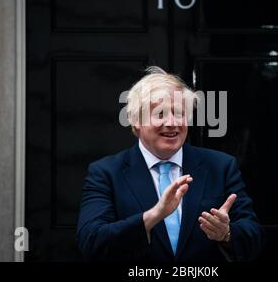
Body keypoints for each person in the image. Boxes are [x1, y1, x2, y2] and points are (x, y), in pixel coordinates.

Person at [76, 66, 264, 262]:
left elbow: (254, 237)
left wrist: (226, 234)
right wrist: (153, 216)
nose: (172, 122)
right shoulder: (106, 173)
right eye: (160, 114)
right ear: (136, 121)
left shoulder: (220, 166)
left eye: (179, 113)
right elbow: (92, 242)